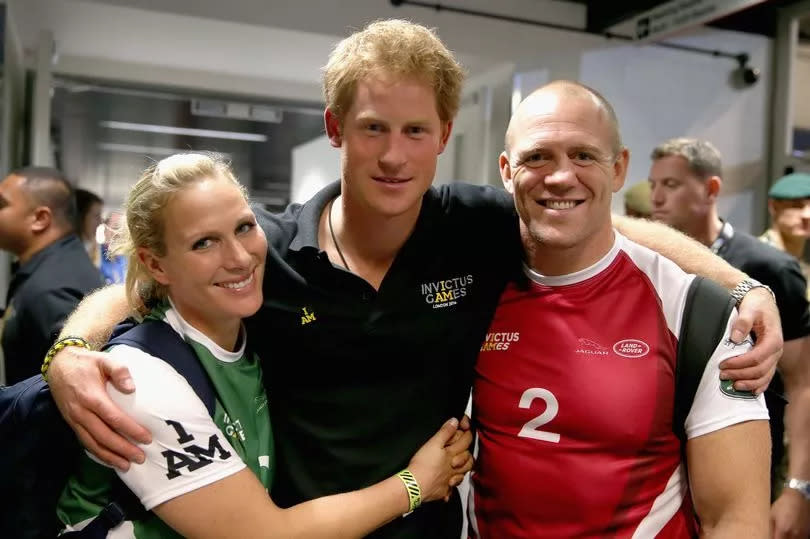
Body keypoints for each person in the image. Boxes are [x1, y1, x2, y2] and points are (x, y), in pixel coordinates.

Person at [44, 20, 781, 539]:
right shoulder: (267, 248)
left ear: (445, 136)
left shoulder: (473, 227)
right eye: (372, 128)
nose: (394, 156)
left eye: (415, 131)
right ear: (335, 129)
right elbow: (148, 285)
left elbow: (602, 226)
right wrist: (70, 351)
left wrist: (747, 287)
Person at [57, 152, 473, 538]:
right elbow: (263, 534)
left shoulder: (247, 326)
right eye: (204, 242)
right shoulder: (140, 380)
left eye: (244, 227)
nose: (239, 257)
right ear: (155, 264)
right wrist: (415, 484)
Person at [469, 81, 770, 538]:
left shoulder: (696, 314)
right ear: (507, 171)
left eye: (584, 156)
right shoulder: (472, 289)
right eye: (537, 157)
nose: (560, 176)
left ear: (619, 169)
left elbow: (737, 520)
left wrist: (747, 287)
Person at [648, 138, 810, 538]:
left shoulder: (766, 267)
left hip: (746, 471)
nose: (656, 198)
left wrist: (796, 488)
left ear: (711, 190)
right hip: (659, 474)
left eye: (671, 185)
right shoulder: (645, 262)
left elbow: (802, 382)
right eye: (653, 185)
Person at [0, 168, 103, 384]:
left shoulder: (52, 289)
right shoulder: (55, 265)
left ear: (40, 219)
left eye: (2, 205)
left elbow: (80, 384)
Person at [760, 172, 810, 296]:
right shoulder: (758, 259)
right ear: (774, 207)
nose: (807, 215)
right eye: (796, 205)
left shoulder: (802, 268)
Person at [75, 188, 104, 267]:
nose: (100, 222)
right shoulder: (65, 257)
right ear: (80, 217)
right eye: (96, 216)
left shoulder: (90, 251)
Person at [100, 210, 127, 284]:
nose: (118, 233)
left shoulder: (125, 259)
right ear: (105, 230)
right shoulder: (95, 257)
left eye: (122, 229)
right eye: (115, 228)